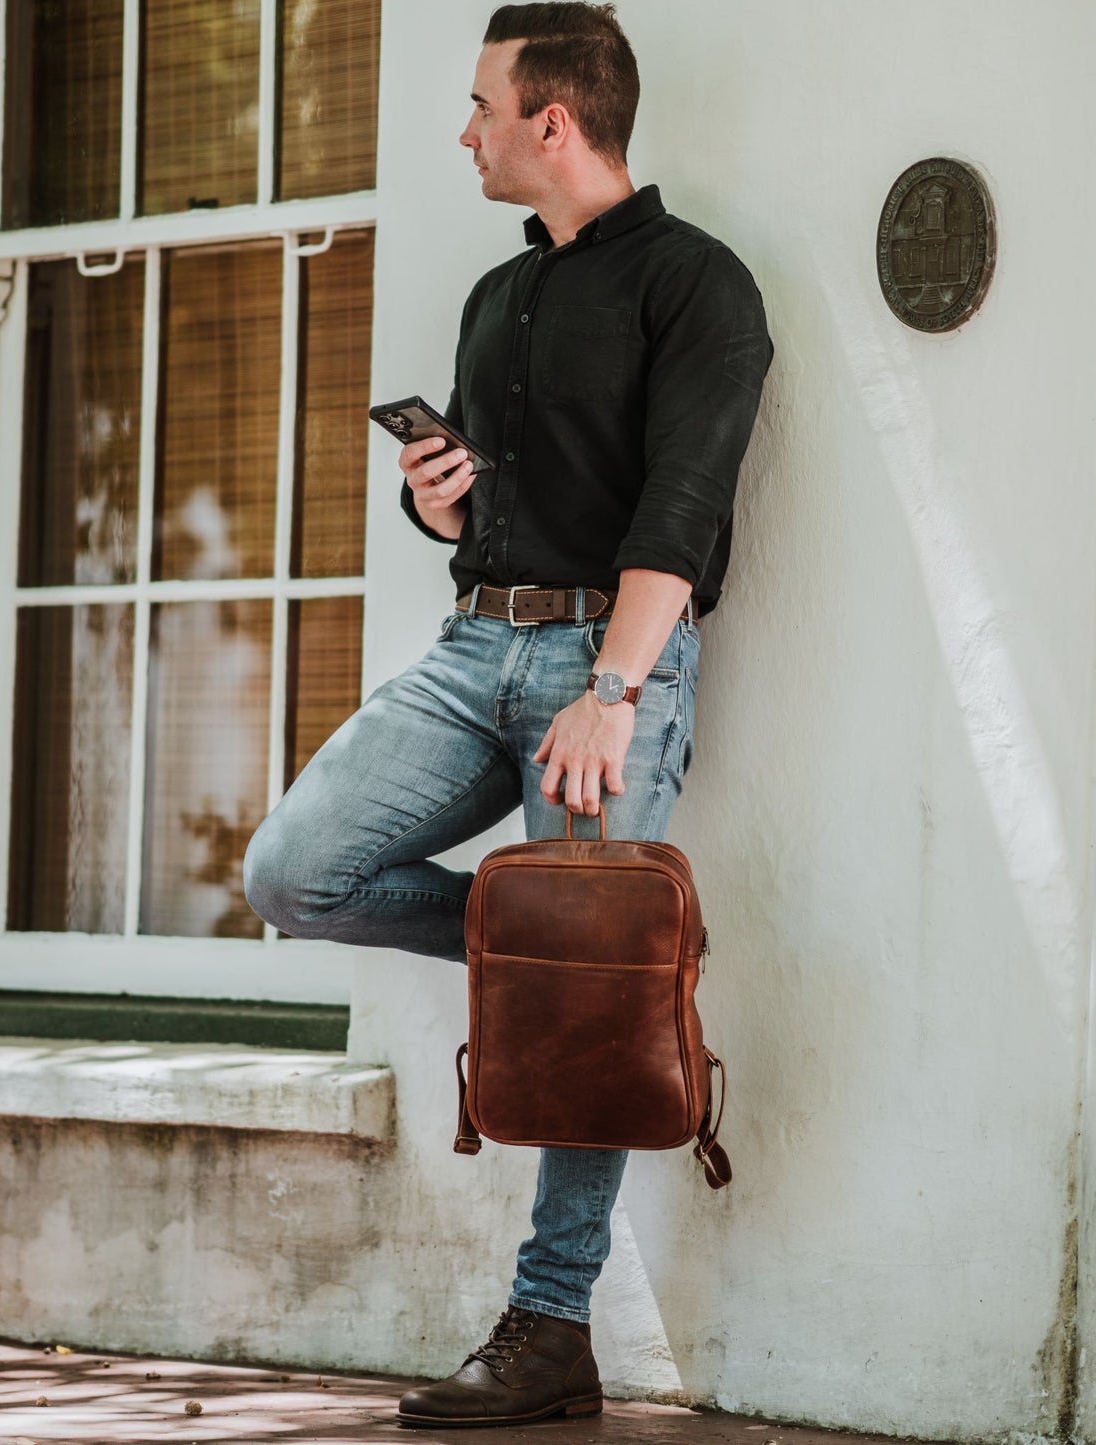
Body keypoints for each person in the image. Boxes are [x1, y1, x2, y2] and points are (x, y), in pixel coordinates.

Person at [243, 1, 772, 1428]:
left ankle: (549, 1326)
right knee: (293, 871)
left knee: (586, 992)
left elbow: (682, 501)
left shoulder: (697, 285)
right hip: (473, 646)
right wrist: (445, 503)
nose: (461, 131)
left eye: (480, 105)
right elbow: (508, 506)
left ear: (554, 119)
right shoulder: (496, 296)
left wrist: (614, 691)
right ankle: (573, 947)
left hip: (610, 660)